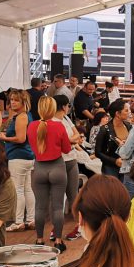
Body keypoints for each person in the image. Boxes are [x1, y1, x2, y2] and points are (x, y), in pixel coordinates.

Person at [28, 96, 71, 252]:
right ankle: (58, 241)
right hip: (57, 167)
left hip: (39, 168)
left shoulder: (31, 126)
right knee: (57, 207)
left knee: (40, 207)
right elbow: (67, 149)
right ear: (53, 109)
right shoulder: (59, 126)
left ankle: (39, 240)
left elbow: (33, 146)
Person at [0, 89, 35, 232]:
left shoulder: (21, 117)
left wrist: (4, 138)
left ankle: (19, 221)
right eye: (11, 100)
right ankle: (31, 219)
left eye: (16, 100)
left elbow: (20, 138)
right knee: (27, 189)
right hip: (27, 156)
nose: (12, 102)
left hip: (18, 156)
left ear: (23, 102)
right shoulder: (26, 115)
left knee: (18, 190)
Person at [54, 94, 83, 241]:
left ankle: (79, 226)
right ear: (65, 106)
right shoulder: (52, 122)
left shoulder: (65, 118)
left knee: (73, 196)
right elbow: (63, 142)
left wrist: (70, 140)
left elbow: (76, 135)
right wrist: (71, 140)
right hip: (59, 161)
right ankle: (56, 228)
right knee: (58, 198)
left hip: (71, 159)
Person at [95, 99, 131, 181]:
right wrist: (114, 161)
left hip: (126, 166)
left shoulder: (129, 126)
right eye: (126, 110)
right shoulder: (104, 129)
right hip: (110, 167)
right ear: (117, 113)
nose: (129, 112)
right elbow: (98, 152)